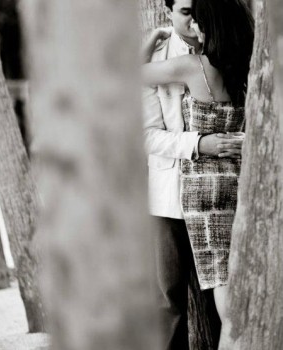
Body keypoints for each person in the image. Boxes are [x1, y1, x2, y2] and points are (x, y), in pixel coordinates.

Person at [142, 0, 254, 348]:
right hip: (206, 186)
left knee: (220, 281)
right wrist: (206, 142)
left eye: (200, 17)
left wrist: (146, 42)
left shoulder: (198, 64)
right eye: (187, 13)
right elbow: (146, 134)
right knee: (178, 294)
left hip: (207, 190)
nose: (194, 24)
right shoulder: (240, 62)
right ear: (170, 12)